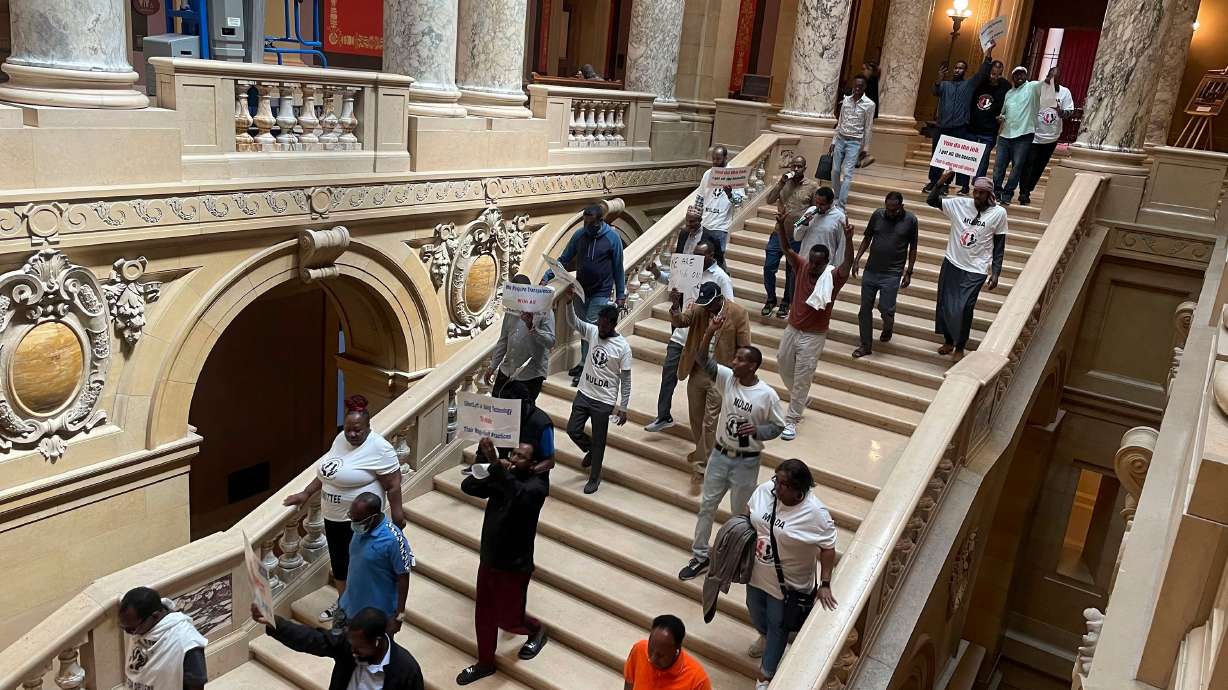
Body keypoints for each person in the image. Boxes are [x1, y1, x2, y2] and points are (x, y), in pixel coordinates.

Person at [678, 313, 783, 581]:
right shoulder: (727, 378)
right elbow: (703, 360)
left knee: (739, 516)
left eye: (739, 359)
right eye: (735, 358)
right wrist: (709, 332)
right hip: (720, 455)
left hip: (746, 461)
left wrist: (757, 431)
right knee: (707, 507)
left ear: (752, 366)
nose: (733, 362)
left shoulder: (767, 395)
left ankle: (734, 558)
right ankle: (700, 556)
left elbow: (778, 426)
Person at [284, 394, 405, 624]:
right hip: (332, 516)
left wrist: (398, 514)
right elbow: (329, 471)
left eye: (357, 430)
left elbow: (393, 483)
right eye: (348, 429)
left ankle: (362, 609)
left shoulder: (380, 448)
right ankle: (344, 603)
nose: (352, 434)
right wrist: (306, 493)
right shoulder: (341, 439)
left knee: (359, 566)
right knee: (340, 564)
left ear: (369, 427)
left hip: (361, 521)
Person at [457, 438, 550, 685]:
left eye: (521, 456)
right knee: (484, 614)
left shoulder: (536, 487)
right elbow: (469, 487)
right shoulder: (503, 477)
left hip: (514, 565)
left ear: (533, 464)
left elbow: (518, 496)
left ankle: (536, 630)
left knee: (509, 620)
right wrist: (483, 462)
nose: (514, 458)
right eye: (514, 454)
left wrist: (496, 464)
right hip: (489, 559)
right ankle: (485, 663)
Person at [745, 460, 838, 690]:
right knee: (755, 609)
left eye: (784, 484)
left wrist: (825, 582)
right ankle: (764, 637)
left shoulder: (815, 513)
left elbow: (828, 547)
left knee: (778, 625)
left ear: (800, 490)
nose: (777, 487)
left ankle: (765, 676)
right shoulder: (765, 491)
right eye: (777, 479)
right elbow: (749, 514)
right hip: (756, 573)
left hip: (787, 586)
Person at [773, 208, 854, 441]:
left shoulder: (833, 276)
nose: (815, 268)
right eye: (813, 263)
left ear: (827, 263)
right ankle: (801, 396)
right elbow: (787, 249)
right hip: (792, 328)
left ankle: (792, 420)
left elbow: (847, 264)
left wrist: (848, 240)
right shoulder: (801, 265)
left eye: (819, 264)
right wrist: (781, 226)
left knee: (802, 377)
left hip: (814, 335)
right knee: (783, 364)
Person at [667, 279, 750, 493]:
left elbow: (745, 347)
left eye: (710, 303)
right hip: (697, 369)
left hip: (720, 373)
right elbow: (680, 321)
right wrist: (676, 306)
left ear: (719, 298)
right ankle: (705, 452)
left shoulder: (738, 313)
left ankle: (702, 466)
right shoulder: (700, 308)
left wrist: (741, 375)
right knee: (695, 416)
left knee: (710, 421)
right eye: (704, 304)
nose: (707, 307)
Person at [645, 238, 733, 435]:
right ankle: (663, 416)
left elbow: (729, 306)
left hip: (705, 340)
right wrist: (656, 272)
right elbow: (671, 280)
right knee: (668, 373)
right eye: (694, 255)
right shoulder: (690, 268)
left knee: (708, 384)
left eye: (700, 256)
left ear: (711, 256)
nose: (695, 259)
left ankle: (712, 424)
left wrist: (714, 330)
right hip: (682, 332)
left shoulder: (721, 278)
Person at [543, 205, 626, 385]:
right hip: (581, 290)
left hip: (601, 292)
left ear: (600, 221)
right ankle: (582, 362)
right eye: (585, 223)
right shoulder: (579, 235)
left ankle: (588, 367)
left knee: (590, 326)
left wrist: (621, 295)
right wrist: (547, 276)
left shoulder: (613, 239)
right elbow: (564, 259)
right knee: (582, 328)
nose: (587, 227)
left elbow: (619, 268)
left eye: (591, 224)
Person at [928, 172, 1008, 361]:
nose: (977, 196)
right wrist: (941, 181)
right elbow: (931, 200)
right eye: (975, 192)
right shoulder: (959, 204)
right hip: (952, 262)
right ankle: (948, 340)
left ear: (989, 195)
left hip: (976, 269)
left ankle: (960, 346)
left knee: (965, 307)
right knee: (946, 304)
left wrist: (995, 272)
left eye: (981, 193)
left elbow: (999, 246)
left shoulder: (998, 214)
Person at [253, 604, 424, 690]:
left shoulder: (406, 671)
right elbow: (310, 639)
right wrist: (274, 623)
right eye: (352, 644)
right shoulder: (348, 645)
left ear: (377, 641)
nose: (353, 651)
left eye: (359, 647)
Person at [565, 299, 632, 493]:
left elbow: (626, 380)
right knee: (572, 429)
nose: (600, 329)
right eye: (599, 324)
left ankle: (594, 477)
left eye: (604, 326)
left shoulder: (622, 347)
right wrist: (569, 302)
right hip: (584, 392)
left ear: (613, 324)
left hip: (604, 400)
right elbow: (573, 322)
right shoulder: (593, 331)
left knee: (600, 439)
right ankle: (591, 450)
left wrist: (624, 407)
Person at [851, 191, 918, 358]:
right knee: (864, 309)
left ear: (901, 207)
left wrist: (909, 272)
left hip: (892, 273)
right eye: (888, 209)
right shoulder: (877, 215)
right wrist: (857, 259)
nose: (890, 212)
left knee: (886, 308)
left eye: (894, 210)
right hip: (871, 270)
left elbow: (913, 248)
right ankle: (865, 345)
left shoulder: (910, 220)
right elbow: (867, 238)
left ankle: (888, 326)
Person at [924, 42, 996, 195]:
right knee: (937, 156)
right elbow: (935, 91)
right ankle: (933, 181)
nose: (958, 70)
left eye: (961, 68)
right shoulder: (945, 85)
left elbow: (982, 73)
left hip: (959, 127)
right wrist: (939, 78)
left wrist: (988, 53)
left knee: (953, 159)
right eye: (956, 67)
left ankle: (946, 184)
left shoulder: (969, 85)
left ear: (965, 71)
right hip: (942, 126)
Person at [338, 492, 413, 632]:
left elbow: (403, 577)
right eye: (352, 517)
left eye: (358, 520)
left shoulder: (394, 540)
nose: (354, 523)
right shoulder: (360, 529)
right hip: (349, 606)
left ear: (373, 517)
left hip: (376, 617)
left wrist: (399, 615)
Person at [119, 587, 208, 690]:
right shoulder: (141, 627)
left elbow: (196, 683)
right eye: (123, 628)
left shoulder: (186, 641)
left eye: (132, 629)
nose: (129, 633)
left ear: (155, 616)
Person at [763, 156, 818, 319]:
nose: (796, 169)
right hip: (778, 232)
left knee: (791, 271)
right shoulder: (784, 182)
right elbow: (769, 200)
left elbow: (815, 208)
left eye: (799, 166)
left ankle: (786, 302)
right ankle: (771, 299)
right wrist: (780, 182)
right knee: (769, 266)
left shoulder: (812, 186)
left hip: (797, 236)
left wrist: (808, 220)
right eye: (793, 165)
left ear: (805, 168)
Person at [488, 274, 556, 405]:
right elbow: (503, 340)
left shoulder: (545, 311)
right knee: (496, 407)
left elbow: (550, 342)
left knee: (521, 417)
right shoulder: (510, 310)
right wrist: (493, 366)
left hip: (530, 375)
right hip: (507, 369)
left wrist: (532, 327)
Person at [1019, 66, 1074, 205]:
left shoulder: (1065, 92)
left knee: (1039, 166)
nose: (1052, 79)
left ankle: (1029, 189)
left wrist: (1058, 109)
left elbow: (1069, 113)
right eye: (1050, 75)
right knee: (1028, 164)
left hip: (1052, 137)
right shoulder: (1038, 88)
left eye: (1056, 77)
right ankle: (1023, 192)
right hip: (1034, 134)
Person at [622, 614, 713, 690]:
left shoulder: (697, 681)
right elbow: (629, 683)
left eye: (660, 655)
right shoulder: (639, 649)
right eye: (651, 649)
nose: (652, 659)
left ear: (677, 648)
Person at [993, 66, 1042, 206]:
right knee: (998, 167)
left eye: (1022, 74)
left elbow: (1044, 83)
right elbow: (1004, 112)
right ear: (1012, 77)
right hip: (1005, 135)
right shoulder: (1009, 93)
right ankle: (997, 191)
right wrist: (1001, 117)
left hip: (1023, 135)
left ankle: (1008, 193)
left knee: (1017, 167)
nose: (1019, 77)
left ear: (1027, 76)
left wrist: (1051, 77)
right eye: (1016, 74)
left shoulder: (1032, 87)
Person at [830, 75, 876, 208]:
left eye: (860, 86)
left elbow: (868, 127)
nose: (857, 88)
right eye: (855, 85)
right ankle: (837, 196)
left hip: (855, 142)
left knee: (847, 173)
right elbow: (840, 122)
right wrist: (833, 141)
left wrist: (865, 148)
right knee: (835, 170)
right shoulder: (846, 101)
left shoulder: (869, 104)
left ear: (864, 87)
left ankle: (841, 204)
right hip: (840, 139)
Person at [694, 145, 745, 250]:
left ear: (726, 158)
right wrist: (696, 219)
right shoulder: (707, 174)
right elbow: (700, 198)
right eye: (713, 159)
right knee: (701, 257)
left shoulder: (734, 175)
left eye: (718, 159)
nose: (715, 162)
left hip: (721, 227)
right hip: (704, 224)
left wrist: (729, 194)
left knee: (718, 258)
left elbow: (739, 202)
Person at [966, 60, 1009, 183]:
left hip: (990, 131)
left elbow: (1010, 103)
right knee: (968, 157)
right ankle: (964, 184)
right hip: (972, 127)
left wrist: (1003, 116)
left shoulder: (1005, 86)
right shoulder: (980, 83)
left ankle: (977, 182)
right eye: (993, 74)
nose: (995, 77)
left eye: (999, 74)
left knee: (984, 158)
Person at [792, 186, 847, 275]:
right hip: (804, 263)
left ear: (831, 203)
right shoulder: (810, 210)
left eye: (822, 204)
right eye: (816, 203)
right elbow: (797, 237)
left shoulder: (840, 218)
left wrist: (835, 270)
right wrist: (804, 224)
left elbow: (842, 246)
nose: (818, 207)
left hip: (824, 268)